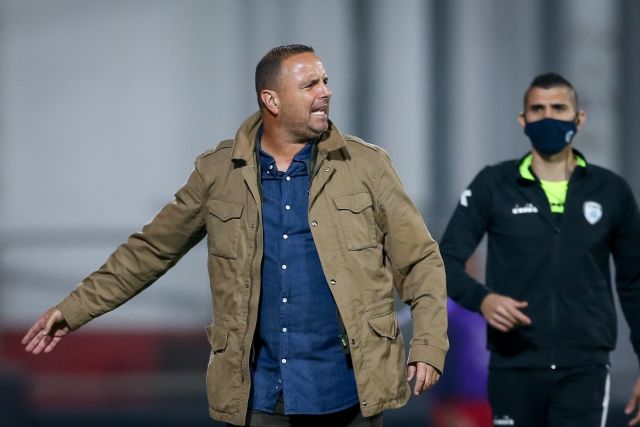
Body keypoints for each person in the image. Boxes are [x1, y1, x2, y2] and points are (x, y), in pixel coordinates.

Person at [21, 44, 448, 427]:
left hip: (348, 392)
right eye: (310, 85)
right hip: (258, 397)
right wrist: (74, 309)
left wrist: (428, 345)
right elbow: (150, 251)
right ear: (271, 100)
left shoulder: (367, 166)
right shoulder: (218, 173)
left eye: (325, 81)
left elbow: (420, 260)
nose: (326, 92)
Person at [440, 72, 640, 427]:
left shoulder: (610, 191)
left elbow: (634, 283)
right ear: (523, 120)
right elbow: (443, 262)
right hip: (513, 364)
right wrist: (483, 300)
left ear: (579, 118)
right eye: (538, 109)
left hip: (585, 369)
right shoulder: (493, 185)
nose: (548, 117)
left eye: (559, 108)